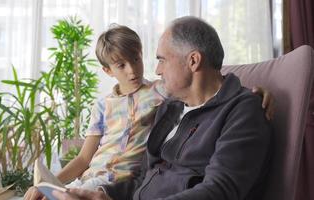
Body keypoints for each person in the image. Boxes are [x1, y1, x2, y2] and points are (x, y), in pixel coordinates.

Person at [25, 22, 273, 200]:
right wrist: (104, 195)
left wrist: (251, 94)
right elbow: (145, 177)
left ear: (193, 61)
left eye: (162, 59)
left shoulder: (242, 110)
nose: (156, 70)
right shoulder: (171, 108)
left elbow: (220, 190)